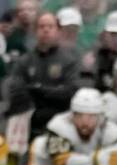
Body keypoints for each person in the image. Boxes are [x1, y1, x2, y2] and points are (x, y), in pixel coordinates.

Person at [5, 12, 80, 141]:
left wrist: (38, 90)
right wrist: (49, 92)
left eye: (50, 27)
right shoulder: (24, 61)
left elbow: (70, 92)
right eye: (41, 26)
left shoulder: (69, 61)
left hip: (60, 118)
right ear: (35, 31)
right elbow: (16, 91)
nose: (46, 30)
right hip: (30, 117)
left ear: (58, 31)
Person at [28, 87, 117, 165]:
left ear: (100, 117)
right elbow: (61, 161)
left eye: (91, 116)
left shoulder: (110, 130)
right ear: (72, 114)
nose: (85, 122)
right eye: (79, 115)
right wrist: (95, 160)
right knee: (39, 143)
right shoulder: (58, 125)